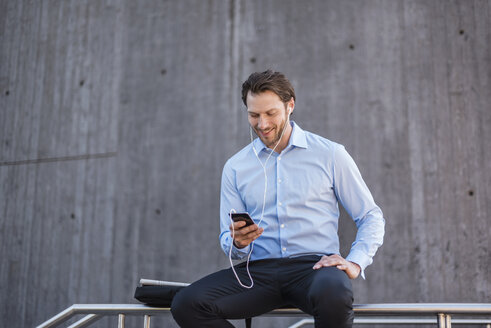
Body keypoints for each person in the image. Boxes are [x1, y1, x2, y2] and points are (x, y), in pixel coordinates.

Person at [171, 70, 385, 328]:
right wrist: (238, 242)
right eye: (254, 115)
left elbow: (370, 216)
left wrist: (354, 262)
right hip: (258, 272)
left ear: (290, 105)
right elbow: (228, 242)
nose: (262, 124)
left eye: (270, 113)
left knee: (334, 292)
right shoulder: (236, 167)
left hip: (315, 268)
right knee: (187, 303)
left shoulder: (330, 154)